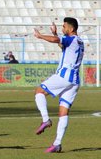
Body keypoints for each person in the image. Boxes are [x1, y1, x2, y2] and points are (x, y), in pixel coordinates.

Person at [33, 18, 84, 153]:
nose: (62, 29)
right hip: (75, 80)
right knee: (63, 112)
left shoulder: (71, 39)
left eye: (64, 27)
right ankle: (57, 143)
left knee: (39, 91)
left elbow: (57, 41)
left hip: (64, 76)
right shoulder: (79, 41)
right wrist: (56, 34)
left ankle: (46, 120)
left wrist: (41, 36)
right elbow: (62, 46)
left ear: (71, 29)